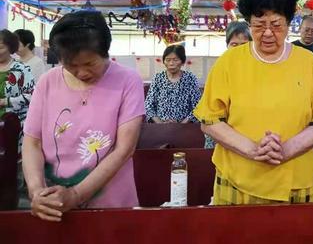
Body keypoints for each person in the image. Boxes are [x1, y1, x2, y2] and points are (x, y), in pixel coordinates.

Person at [195, 0, 313, 205]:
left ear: (289, 23)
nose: (268, 33)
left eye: (276, 25)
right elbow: (209, 120)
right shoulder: (230, 61)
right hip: (236, 177)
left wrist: (285, 150)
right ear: (248, 23)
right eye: (259, 25)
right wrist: (252, 150)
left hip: (294, 180)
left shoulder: (309, 63)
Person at [22, 11, 145, 221]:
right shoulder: (47, 82)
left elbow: (124, 149)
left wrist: (76, 195)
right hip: (55, 205)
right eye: (70, 66)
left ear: (105, 52)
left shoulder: (128, 81)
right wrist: (37, 192)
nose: (82, 73)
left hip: (111, 207)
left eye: (90, 64)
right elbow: (32, 142)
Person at [204, 22, 252, 149]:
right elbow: (209, 115)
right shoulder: (219, 69)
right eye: (234, 44)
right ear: (227, 46)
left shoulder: (259, 70)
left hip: (250, 138)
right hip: (220, 138)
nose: (239, 49)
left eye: (244, 45)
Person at [145, 45, 201, 124]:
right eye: (168, 60)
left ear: (182, 62)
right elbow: (148, 105)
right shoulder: (158, 78)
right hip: (160, 128)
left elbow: (198, 106)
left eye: (175, 60)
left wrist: (182, 124)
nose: (171, 63)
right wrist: (160, 123)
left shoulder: (190, 78)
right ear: (164, 61)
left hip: (184, 128)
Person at [0, 30, 34, 139]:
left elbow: (31, 96)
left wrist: (5, 101)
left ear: (10, 48)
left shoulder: (21, 69)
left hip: (12, 126)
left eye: (0, 48)